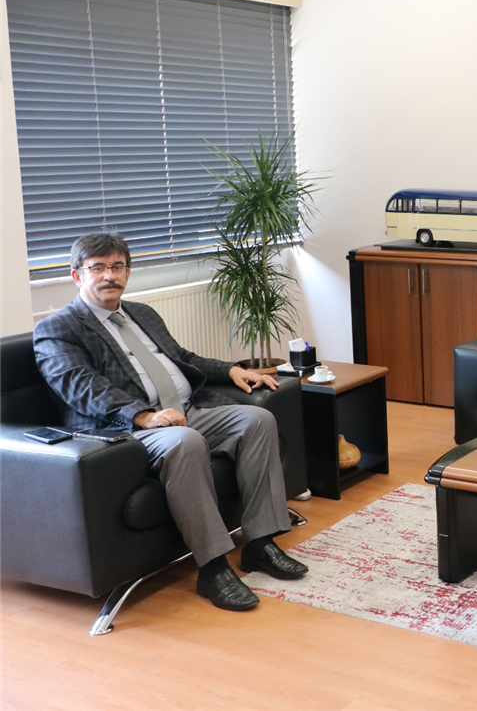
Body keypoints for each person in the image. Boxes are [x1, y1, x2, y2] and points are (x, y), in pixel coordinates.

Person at [33, 233, 308, 612]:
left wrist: (231, 370)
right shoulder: (59, 327)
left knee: (258, 420)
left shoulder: (141, 313)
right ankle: (213, 568)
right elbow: (78, 385)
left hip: (185, 410)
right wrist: (143, 415)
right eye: (98, 268)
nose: (109, 275)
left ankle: (260, 543)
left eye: (117, 266)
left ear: (127, 272)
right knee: (184, 441)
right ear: (77, 275)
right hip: (124, 430)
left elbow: (181, 357)